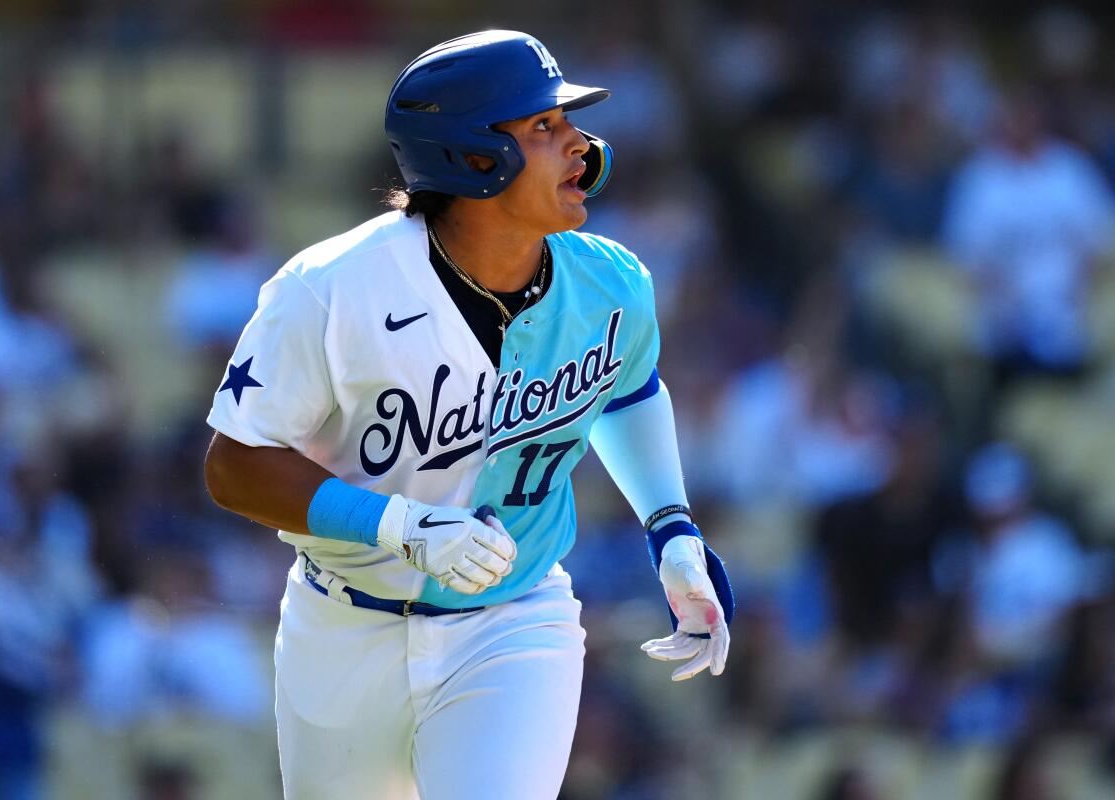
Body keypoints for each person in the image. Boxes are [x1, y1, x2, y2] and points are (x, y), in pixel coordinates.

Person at [202, 30, 734, 800]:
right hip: (342, 625)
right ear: (474, 157)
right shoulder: (331, 288)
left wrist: (672, 529)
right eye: (545, 127)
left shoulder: (613, 281)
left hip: (513, 617)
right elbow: (233, 466)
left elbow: (625, 390)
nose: (580, 146)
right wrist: (402, 526)